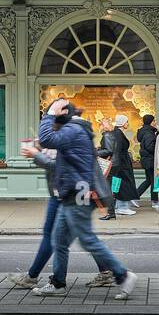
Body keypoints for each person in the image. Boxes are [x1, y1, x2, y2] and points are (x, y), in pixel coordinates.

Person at [24, 99, 136, 298]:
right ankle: (58, 282)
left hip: (78, 193)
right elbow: (59, 163)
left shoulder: (74, 129)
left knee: (87, 239)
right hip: (72, 192)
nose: (53, 121)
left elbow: (47, 139)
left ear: (64, 113)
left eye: (57, 115)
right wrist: (38, 153)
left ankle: (123, 274)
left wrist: (49, 114)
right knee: (59, 239)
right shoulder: (74, 130)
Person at [109, 114, 139, 215]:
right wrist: (119, 165)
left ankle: (120, 206)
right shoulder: (118, 134)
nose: (127, 123)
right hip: (121, 164)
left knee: (120, 184)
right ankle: (122, 207)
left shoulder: (118, 133)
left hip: (121, 163)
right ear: (122, 123)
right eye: (126, 122)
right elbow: (117, 150)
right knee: (124, 184)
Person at [136, 114, 159, 209]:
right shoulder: (149, 133)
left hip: (147, 160)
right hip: (150, 160)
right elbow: (150, 146)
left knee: (149, 180)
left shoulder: (145, 131)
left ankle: (134, 196)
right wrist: (158, 149)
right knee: (153, 181)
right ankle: (154, 201)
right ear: (150, 122)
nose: (155, 122)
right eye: (154, 121)